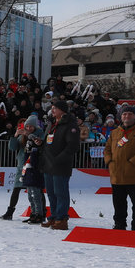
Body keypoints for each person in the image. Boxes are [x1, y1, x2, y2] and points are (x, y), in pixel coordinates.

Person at [41, 98, 80, 231]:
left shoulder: (70, 125)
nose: (52, 110)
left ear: (62, 110)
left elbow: (72, 146)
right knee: (51, 193)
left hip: (60, 165)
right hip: (48, 164)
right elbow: (48, 142)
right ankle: (53, 217)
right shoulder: (52, 124)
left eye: (54, 108)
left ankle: (62, 219)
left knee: (60, 192)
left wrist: (58, 159)